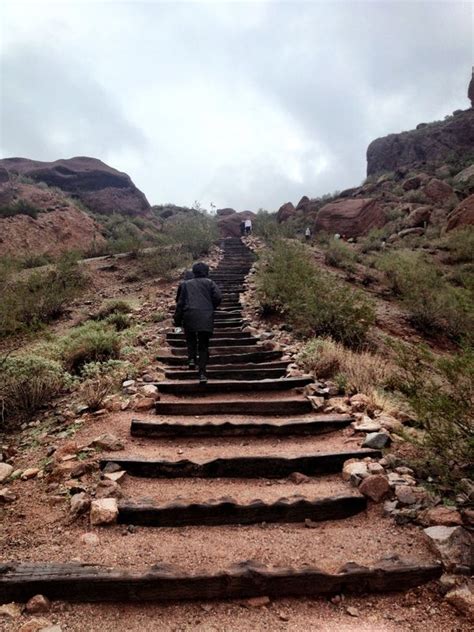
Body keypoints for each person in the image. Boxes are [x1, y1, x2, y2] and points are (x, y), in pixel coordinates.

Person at [173, 261, 222, 383]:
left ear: (194, 272)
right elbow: (218, 297)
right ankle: (202, 374)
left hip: (189, 315)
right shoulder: (210, 283)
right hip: (206, 316)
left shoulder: (185, 284)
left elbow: (180, 304)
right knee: (204, 345)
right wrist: (210, 307)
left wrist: (177, 321)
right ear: (206, 271)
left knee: (190, 339)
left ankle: (191, 359)